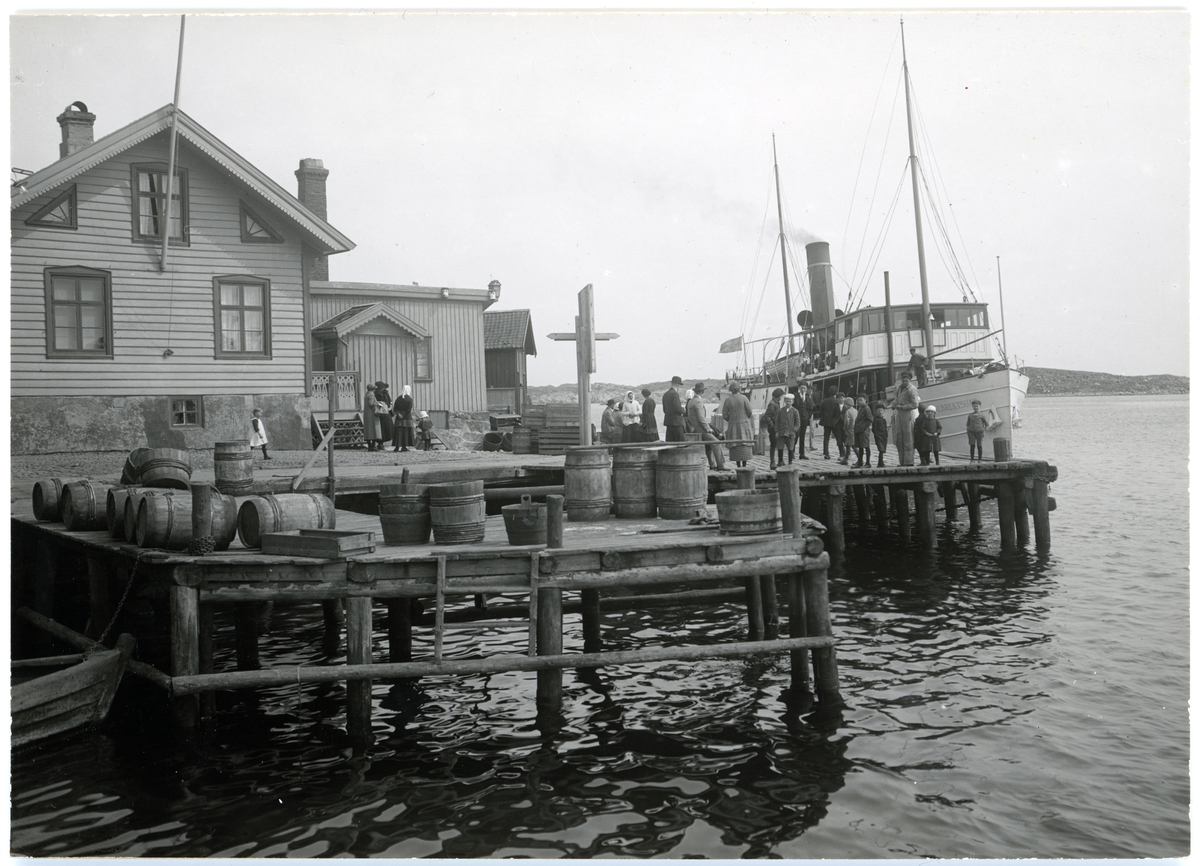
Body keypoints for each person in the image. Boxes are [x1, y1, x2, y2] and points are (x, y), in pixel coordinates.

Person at [687, 382, 725, 470]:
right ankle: (720, 465)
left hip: (694, 428)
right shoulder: (698, 401)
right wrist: (708, 429)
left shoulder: (691, 401)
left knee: (708, 445)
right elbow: (701, 418)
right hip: (700, 429)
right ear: (702, 391)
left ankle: (712, 464)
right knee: (716, 443)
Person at [722, 381, 754, 468]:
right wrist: (746, 418)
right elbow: (749, 411)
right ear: (739, 388)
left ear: (730, 389)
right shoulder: (744, 398)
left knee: (735, 445)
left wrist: (731, 420)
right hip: (744, 424)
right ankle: (744, 465)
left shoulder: (728, 400)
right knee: (744, 444)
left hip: (733, 426)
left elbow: (724, 415)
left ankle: (738, 465)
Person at [893, 371, 920, 466]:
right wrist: (894, 404)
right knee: (899, 437)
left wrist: (902, 407)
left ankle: (908, 461)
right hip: (899, 414)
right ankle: (902, 461)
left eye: (906, 381)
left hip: (907, 414)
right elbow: (897, 399)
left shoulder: (912, 389)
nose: (904, 382)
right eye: (903, 381)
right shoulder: (899, 388)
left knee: (908, 438)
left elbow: (915, 404)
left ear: (910, 380)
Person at [775, 393, 801, 466]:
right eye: (787, 401)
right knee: (780, 447)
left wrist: (794, 430)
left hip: (790, 433)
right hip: (781, 432)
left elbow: (798, 423)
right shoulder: (780, 411)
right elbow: (777, 421)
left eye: (790, 401)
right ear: (784, 401)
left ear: (792, 402)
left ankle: (790, 462)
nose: (788, 403)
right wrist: (777, 431)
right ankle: (780, 461)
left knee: (790, 447)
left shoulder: (795, 411)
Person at [763, 388, 784, 470]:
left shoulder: (776, 403)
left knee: (778, 443)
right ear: (778, 396)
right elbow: (767, 416)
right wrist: (771, 425)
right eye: (781, 395)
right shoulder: (772, 404)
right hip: (774, 427)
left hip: (777, 426)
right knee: (773, 444)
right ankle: (772, 462)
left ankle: (780, 461)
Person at [819, 387, 841, 460]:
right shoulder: (837, 401)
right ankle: (842, 453)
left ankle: (826, 453)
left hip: (826, 422)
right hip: (835, 422)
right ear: (836, 392)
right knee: (838, 437)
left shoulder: (824, 401)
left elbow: (820, 412)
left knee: (826, 438)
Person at [852, 395, 874, 468]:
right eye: (858, 400)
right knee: (860, 446)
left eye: (861, 400)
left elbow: (870, 419)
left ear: (865, 400)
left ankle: (868, 463)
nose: (859, 402)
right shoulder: (860, 408)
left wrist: (864, 427)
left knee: (866, 446)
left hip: (863, 431)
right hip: (859, 430)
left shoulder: (866, 408)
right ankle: (860, 462)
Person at [795, 382, 815, 459]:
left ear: (806, 389)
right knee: (796, 435)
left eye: (804, 388)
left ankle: (802, 454)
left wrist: (807, 417)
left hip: (804, 419)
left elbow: (810, 409)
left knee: (802, 436)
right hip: (797, 419)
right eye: (801, 388)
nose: (803, 389)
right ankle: (792, 451)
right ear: (799, 388)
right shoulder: (795, 397)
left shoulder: (808, 398)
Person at [663, 376, 686, 442]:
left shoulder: (665, 394)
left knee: (670, 442)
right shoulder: (675, 394)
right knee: (681, 441)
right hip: (676, 422)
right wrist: (683, 410)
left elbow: (664, 410)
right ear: (677, 385)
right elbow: (677, 409)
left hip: (668, 421)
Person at [393, 385, 415, 452]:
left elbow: (395, 408)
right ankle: (404, 447)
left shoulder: (398, 399)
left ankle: (397, 447)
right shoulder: (410, 399)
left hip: (398, 418)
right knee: (406, 432)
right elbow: (409, 410)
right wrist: (403, 415)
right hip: (407, 418)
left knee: (398, 432)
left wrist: (399, 414)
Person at [363, 383, 382, 451]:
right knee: (374, 430)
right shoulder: (372, 394)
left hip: (367, 414)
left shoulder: (366, 394)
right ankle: (373, 446)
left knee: (368, 430)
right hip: (372, 414)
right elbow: (371, 403)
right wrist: (377, 403)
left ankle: (369, 445)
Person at [838, 395, 857, 465]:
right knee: (847, 444)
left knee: (852, 445)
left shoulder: (848, 412)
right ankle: (845, 459)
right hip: (854, 429)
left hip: (849, 430)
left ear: (847, 404)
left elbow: (846, 422)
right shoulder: (855, 410)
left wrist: (845, 428)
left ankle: (860, 458)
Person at [375, 382, 394, 446]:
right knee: (385, 428)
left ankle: (380, 443)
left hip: (378, 412)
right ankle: (381, 444)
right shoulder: (385, 392)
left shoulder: (376, 392)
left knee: (380, 428)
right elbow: (389, 402)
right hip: (386, 412)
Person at [871, 400, 889, 468]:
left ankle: (881, 462)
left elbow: (885, 428)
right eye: (878, 410)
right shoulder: (875, 420)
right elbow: (874, 429)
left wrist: (886, 435)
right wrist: (877, 435)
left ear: (884, 411)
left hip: (884, 437)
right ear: (875, 411)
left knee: (883, 449)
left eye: (881, 410)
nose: (880, 412)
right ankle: (880, 462)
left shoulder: (884, 420)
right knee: (881, 449)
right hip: (878, 437)